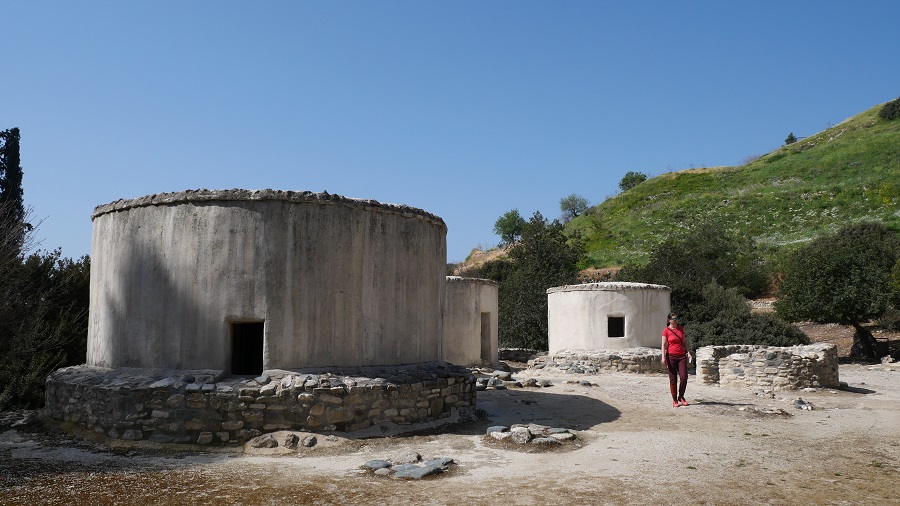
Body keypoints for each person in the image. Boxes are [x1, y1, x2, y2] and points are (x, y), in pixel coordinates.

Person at [661, 312, 691, 407]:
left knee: (684, 377)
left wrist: (688, 352)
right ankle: (674, 399)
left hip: (681, 356)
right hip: (671, 357)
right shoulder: (666, 330)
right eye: (675, 319)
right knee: (673, 379)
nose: (676, 320)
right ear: (670, 320)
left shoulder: (680, 329)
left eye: (677, 319)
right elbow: (663, 345)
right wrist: (663, 357)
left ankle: (681, 396)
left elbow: (684, 342)